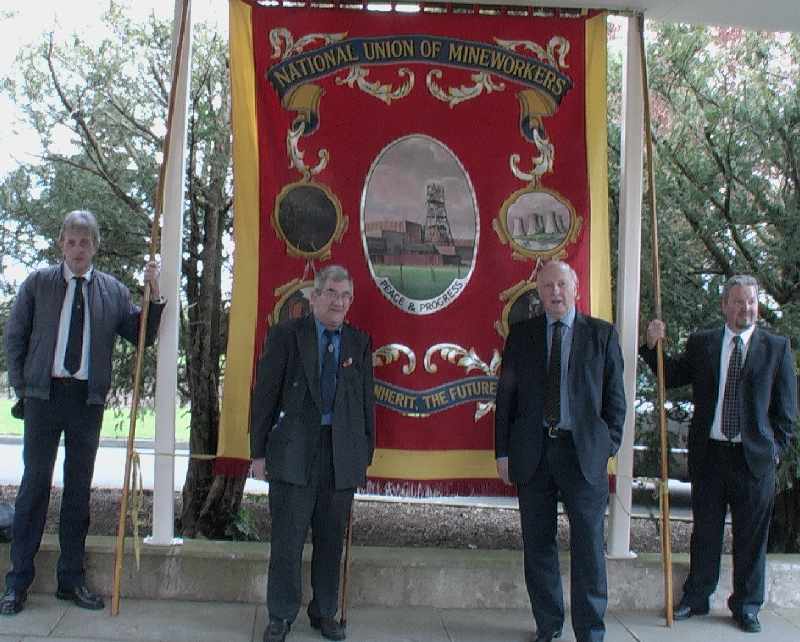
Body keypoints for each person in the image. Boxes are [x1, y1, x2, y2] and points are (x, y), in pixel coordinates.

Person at [1, 210, 165, 616]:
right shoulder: (39, 284)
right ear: (62, 244)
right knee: (34, 488)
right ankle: (17, 582)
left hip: (86, 403)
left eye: (85, 242)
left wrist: (154, 290)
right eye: (72, 242)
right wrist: (23, 389)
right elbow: (15, 337)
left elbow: (141, 334)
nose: (78, 249)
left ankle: (69, 580)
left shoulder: (112, 291)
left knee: (78, 493)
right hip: (43, 397)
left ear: (95, 247)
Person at [640, 275, 797, 633]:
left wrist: (773, 451)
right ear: (724, 305)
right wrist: (652, 347)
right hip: (710, 456)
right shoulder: (703, 344)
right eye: (739, 302)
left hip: (753, 460)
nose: (747, 309)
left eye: (752, 302)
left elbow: (786, 413)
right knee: (705, 532)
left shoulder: (776, 348)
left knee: (751, 539)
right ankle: (697, 598)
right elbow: (672, 375)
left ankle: (746, 606)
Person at [495, 260, 626, 642]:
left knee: (588, 546)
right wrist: (503, 452)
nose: (555, 292)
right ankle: (548, 625)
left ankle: (590, 630)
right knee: (538, 544)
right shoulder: (522, 336)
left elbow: (615, 401)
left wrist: (606, 446)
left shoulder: (601, 335)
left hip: (582, 456)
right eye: (548, 285)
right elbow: (507, 400)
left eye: (561, 285)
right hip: (533, 453)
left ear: (576, 288)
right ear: (538, 291)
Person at [250, 264, 375, 642]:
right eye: (332, 293)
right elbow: (265, 396)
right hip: (292, 452)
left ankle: (324, 612)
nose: (339, 302)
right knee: (287, 539)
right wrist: (258, 453)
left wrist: (363, 455)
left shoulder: (359, 342)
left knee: (330, 539)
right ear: (315, 296)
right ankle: (281, 616)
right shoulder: (287, 335)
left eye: (345, 296)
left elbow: (365, 404)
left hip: (340, 456)